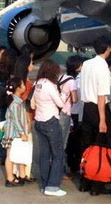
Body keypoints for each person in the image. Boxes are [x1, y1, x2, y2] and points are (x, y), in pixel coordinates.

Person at [79, 36, 111, 196]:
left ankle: (84, 181)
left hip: (86, 108)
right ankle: (97, 185)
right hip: (99, 109)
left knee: (87, 146)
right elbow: (101, 95)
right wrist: (102, 119)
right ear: (107, 49)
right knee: (100, 147)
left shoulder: (86, 64)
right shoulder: (103, 67)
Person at [31, 59, 67, 196]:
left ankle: (45, 184)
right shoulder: (50, 85)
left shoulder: (37, 83)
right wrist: (63, 94)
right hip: (50, 121)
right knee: (58, 155)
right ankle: (52, 186)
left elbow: (33, 105)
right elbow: (61, 104)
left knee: (44, 155)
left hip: (39, 121)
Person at [2, 77, 29, 187]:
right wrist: (22, 133)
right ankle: (10, 178)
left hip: (16, 133)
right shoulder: (15, 103)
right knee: (10, 156)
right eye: (22, 85)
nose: (24, 86)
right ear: (18, 88)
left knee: (17, 154)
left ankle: (22, 175)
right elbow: (16, 120)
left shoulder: (16, 101)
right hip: (13, 134)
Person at [58, 56, 78, 179]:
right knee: (63, 143)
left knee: (57, 141)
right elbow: (75, 99)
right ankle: (62, 169)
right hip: (65, 113)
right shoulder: (72, 81)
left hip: (57, 112)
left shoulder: (61, 77)